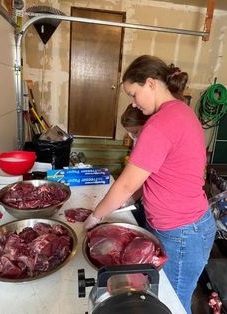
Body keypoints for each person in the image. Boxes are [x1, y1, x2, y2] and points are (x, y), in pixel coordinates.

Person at [84, 55, 216, 314]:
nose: (133, 102)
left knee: (170, 305)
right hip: (187, 228)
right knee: (167, 300)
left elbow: (124, 184)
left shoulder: (160, 123)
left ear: (151, 83)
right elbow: (166, 173)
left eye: (133, 94)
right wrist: (133, 200)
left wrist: (95, 217)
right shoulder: (181, 111)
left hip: (182, 233)